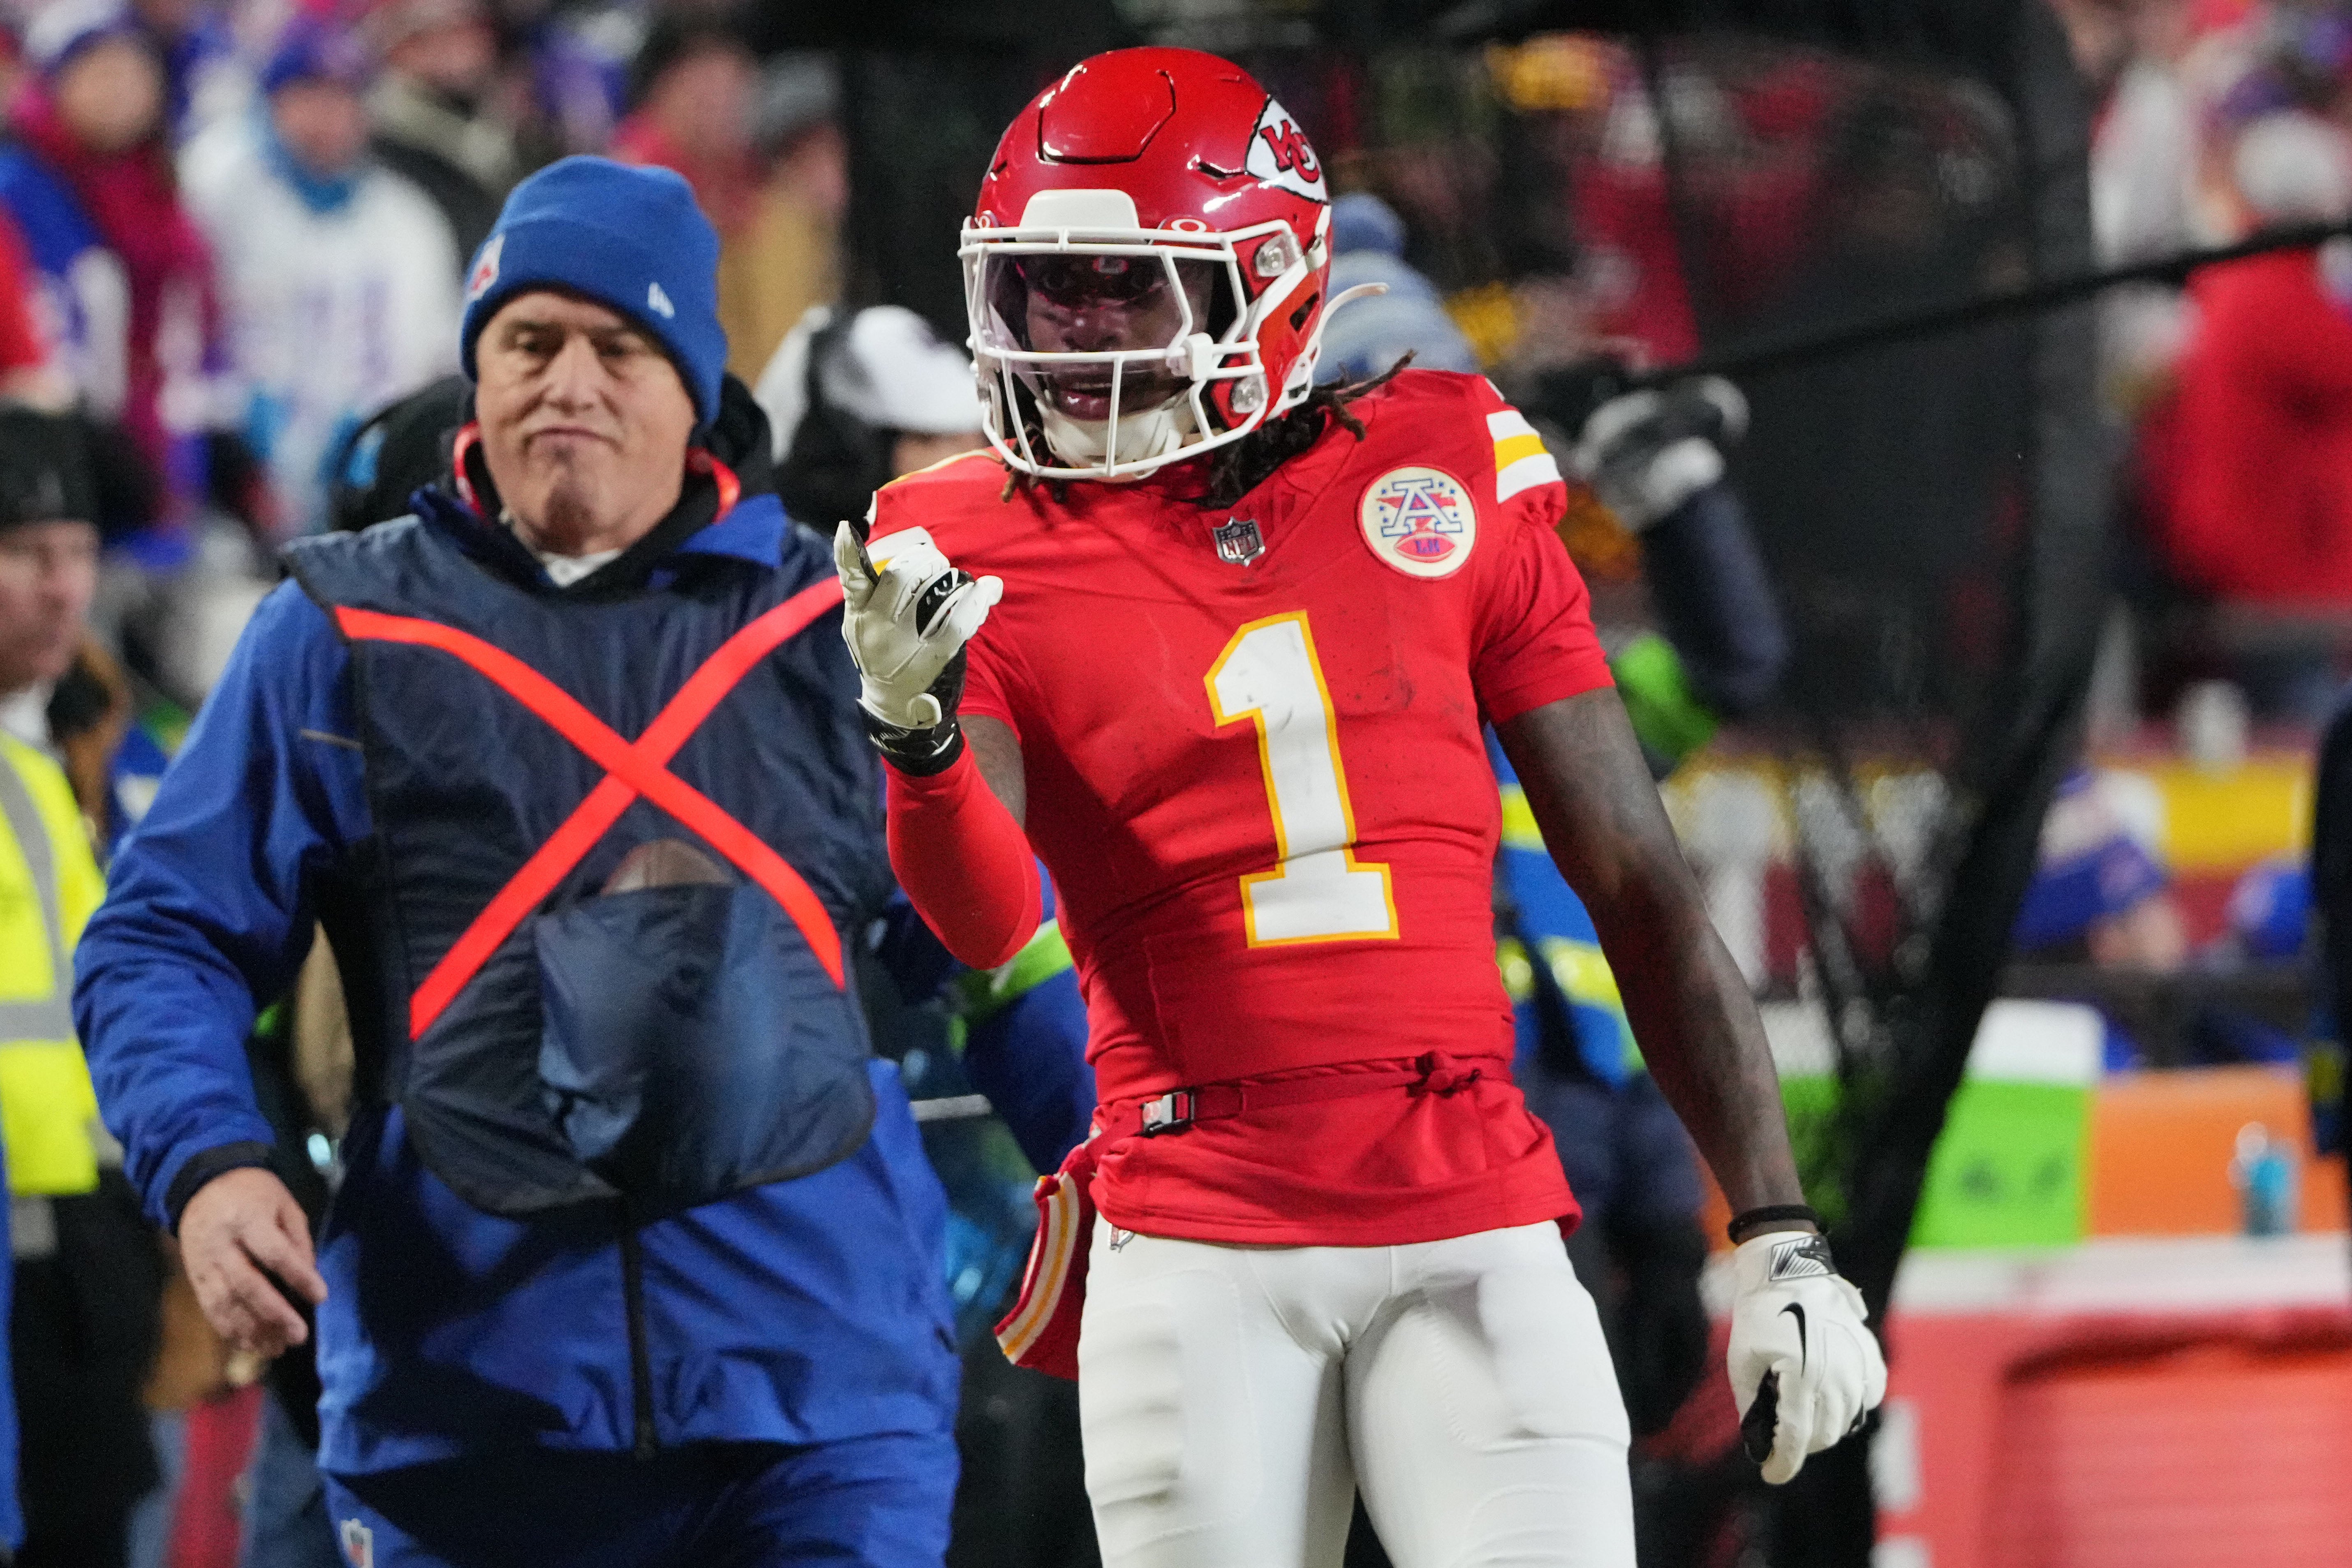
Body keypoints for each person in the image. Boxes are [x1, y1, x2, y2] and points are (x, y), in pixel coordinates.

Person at [845, 48, 1885, 1568]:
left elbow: (1640, 882)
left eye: (1119, 284)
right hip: (1189, 1221)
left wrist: (1780, 1230)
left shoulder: (1442, 466)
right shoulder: (962, 534)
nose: (1069, 329)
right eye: (1042, 285)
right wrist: (918, 740)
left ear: (1265, 286)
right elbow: (992, 918)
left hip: (1467, 1194)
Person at [75, 157, 961, 1568]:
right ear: (475, 371)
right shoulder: (338, 630)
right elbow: (162, 932)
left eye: (619, 346)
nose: (568, 382)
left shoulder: (833, 619)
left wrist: (1120, 1164)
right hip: (470, 1417)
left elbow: (999, 935)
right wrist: (208, 1162)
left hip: (822, 1405)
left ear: (694, 386)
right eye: (527, 343)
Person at [0, 405, 164, 1568]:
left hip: (89, 1222)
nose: (63, 590)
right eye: (25, 556)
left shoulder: (76, 740)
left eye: (76, 554)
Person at [179, 15, 461, 537]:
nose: (327, 116)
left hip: (365, 481)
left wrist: (382, 433)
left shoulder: (408, 221)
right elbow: (190, 337)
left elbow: (434, 358)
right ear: (272, 104)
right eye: (308, 95)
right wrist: (236, 434)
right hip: (234, 482)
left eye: (343, 97)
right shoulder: (219, 200)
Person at [362, 0, 521, 270]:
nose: (461, 50)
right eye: (436, 37)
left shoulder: (499, 122)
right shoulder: (385, 142)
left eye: (468, 32)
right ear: (400, 49)